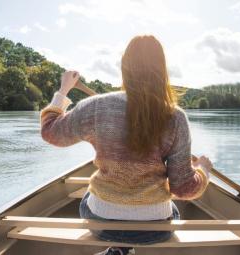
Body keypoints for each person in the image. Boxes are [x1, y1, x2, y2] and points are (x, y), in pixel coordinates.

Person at [40, 35, 212, 255]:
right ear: (162, 70)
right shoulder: (176, 117)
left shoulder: (96, 107)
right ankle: (122, 249)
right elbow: (184, 188)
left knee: (88, 196)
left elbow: (51, 133)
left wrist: (63, 90)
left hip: (102, 222)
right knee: (173, 209)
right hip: (155, 228)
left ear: (125, 68)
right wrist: (204, 170)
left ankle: (118, 249)